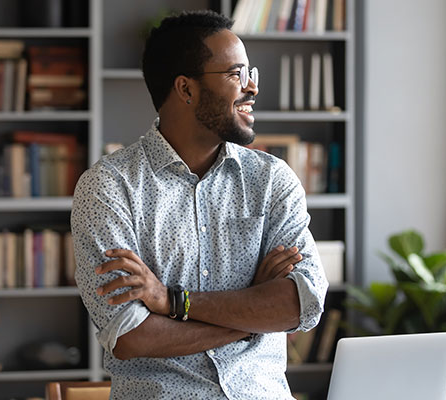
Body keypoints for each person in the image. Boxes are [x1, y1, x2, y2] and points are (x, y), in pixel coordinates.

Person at [70, 10, 328, 399]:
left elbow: (300, 303)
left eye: (250, 72)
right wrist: (254, 310)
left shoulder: (272, 179)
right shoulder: (109, 187)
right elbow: (132, 336)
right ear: (186, 89)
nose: (252, 87)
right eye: (235, 74)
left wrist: (172, 301)